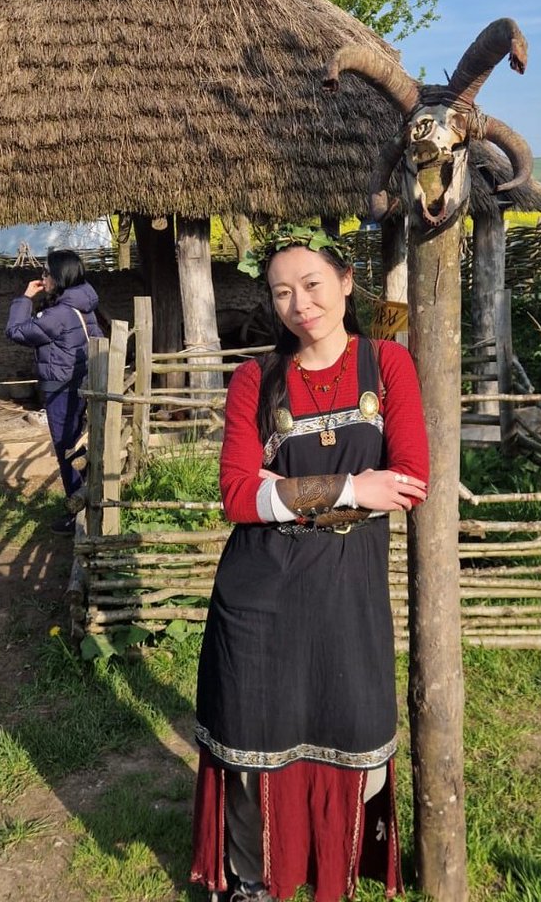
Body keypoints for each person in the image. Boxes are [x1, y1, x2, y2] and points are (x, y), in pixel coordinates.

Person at [191, 227, 428, 902]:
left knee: (355, 738)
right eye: (282, 292)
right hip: (259, 593)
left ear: (347, 281)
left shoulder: (387, 367)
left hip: (347, 596)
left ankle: (330, 872)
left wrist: (284, 492)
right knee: (251, 748)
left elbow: (410, 481)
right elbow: (237, 495)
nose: (300, 304)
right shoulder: (255, 379)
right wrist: (353, 489)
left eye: (313, 285)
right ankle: (250, 881)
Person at [5, 249, 103, 534]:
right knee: (82, 447)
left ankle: (78, 513)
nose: (42, 277)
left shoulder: (59, 314)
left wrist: (25, 298)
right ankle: (89, 503)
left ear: (59, 276)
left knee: (68, 450)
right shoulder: (84, 303)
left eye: (46, 273)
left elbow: (16, 331)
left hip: (63, 388)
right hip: (84, 382)